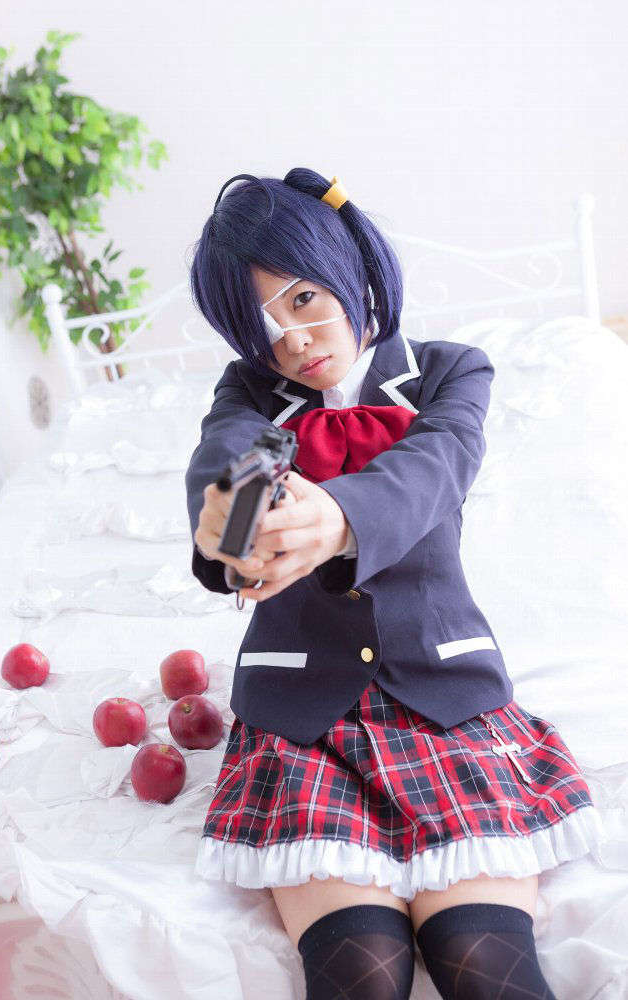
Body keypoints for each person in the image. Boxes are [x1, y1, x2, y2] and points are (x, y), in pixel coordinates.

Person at [184, 169, 604, 999]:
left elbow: (437, 466)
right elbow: (234, 460)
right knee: (359, 970)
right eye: (262, 324)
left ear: (346, 265)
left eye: (304, 299)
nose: (292, 340)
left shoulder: (452, 371)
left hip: (445, 694)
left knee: (484, 959)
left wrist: (340, 519)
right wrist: (235, 532)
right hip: (304, 719)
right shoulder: (250, 394)